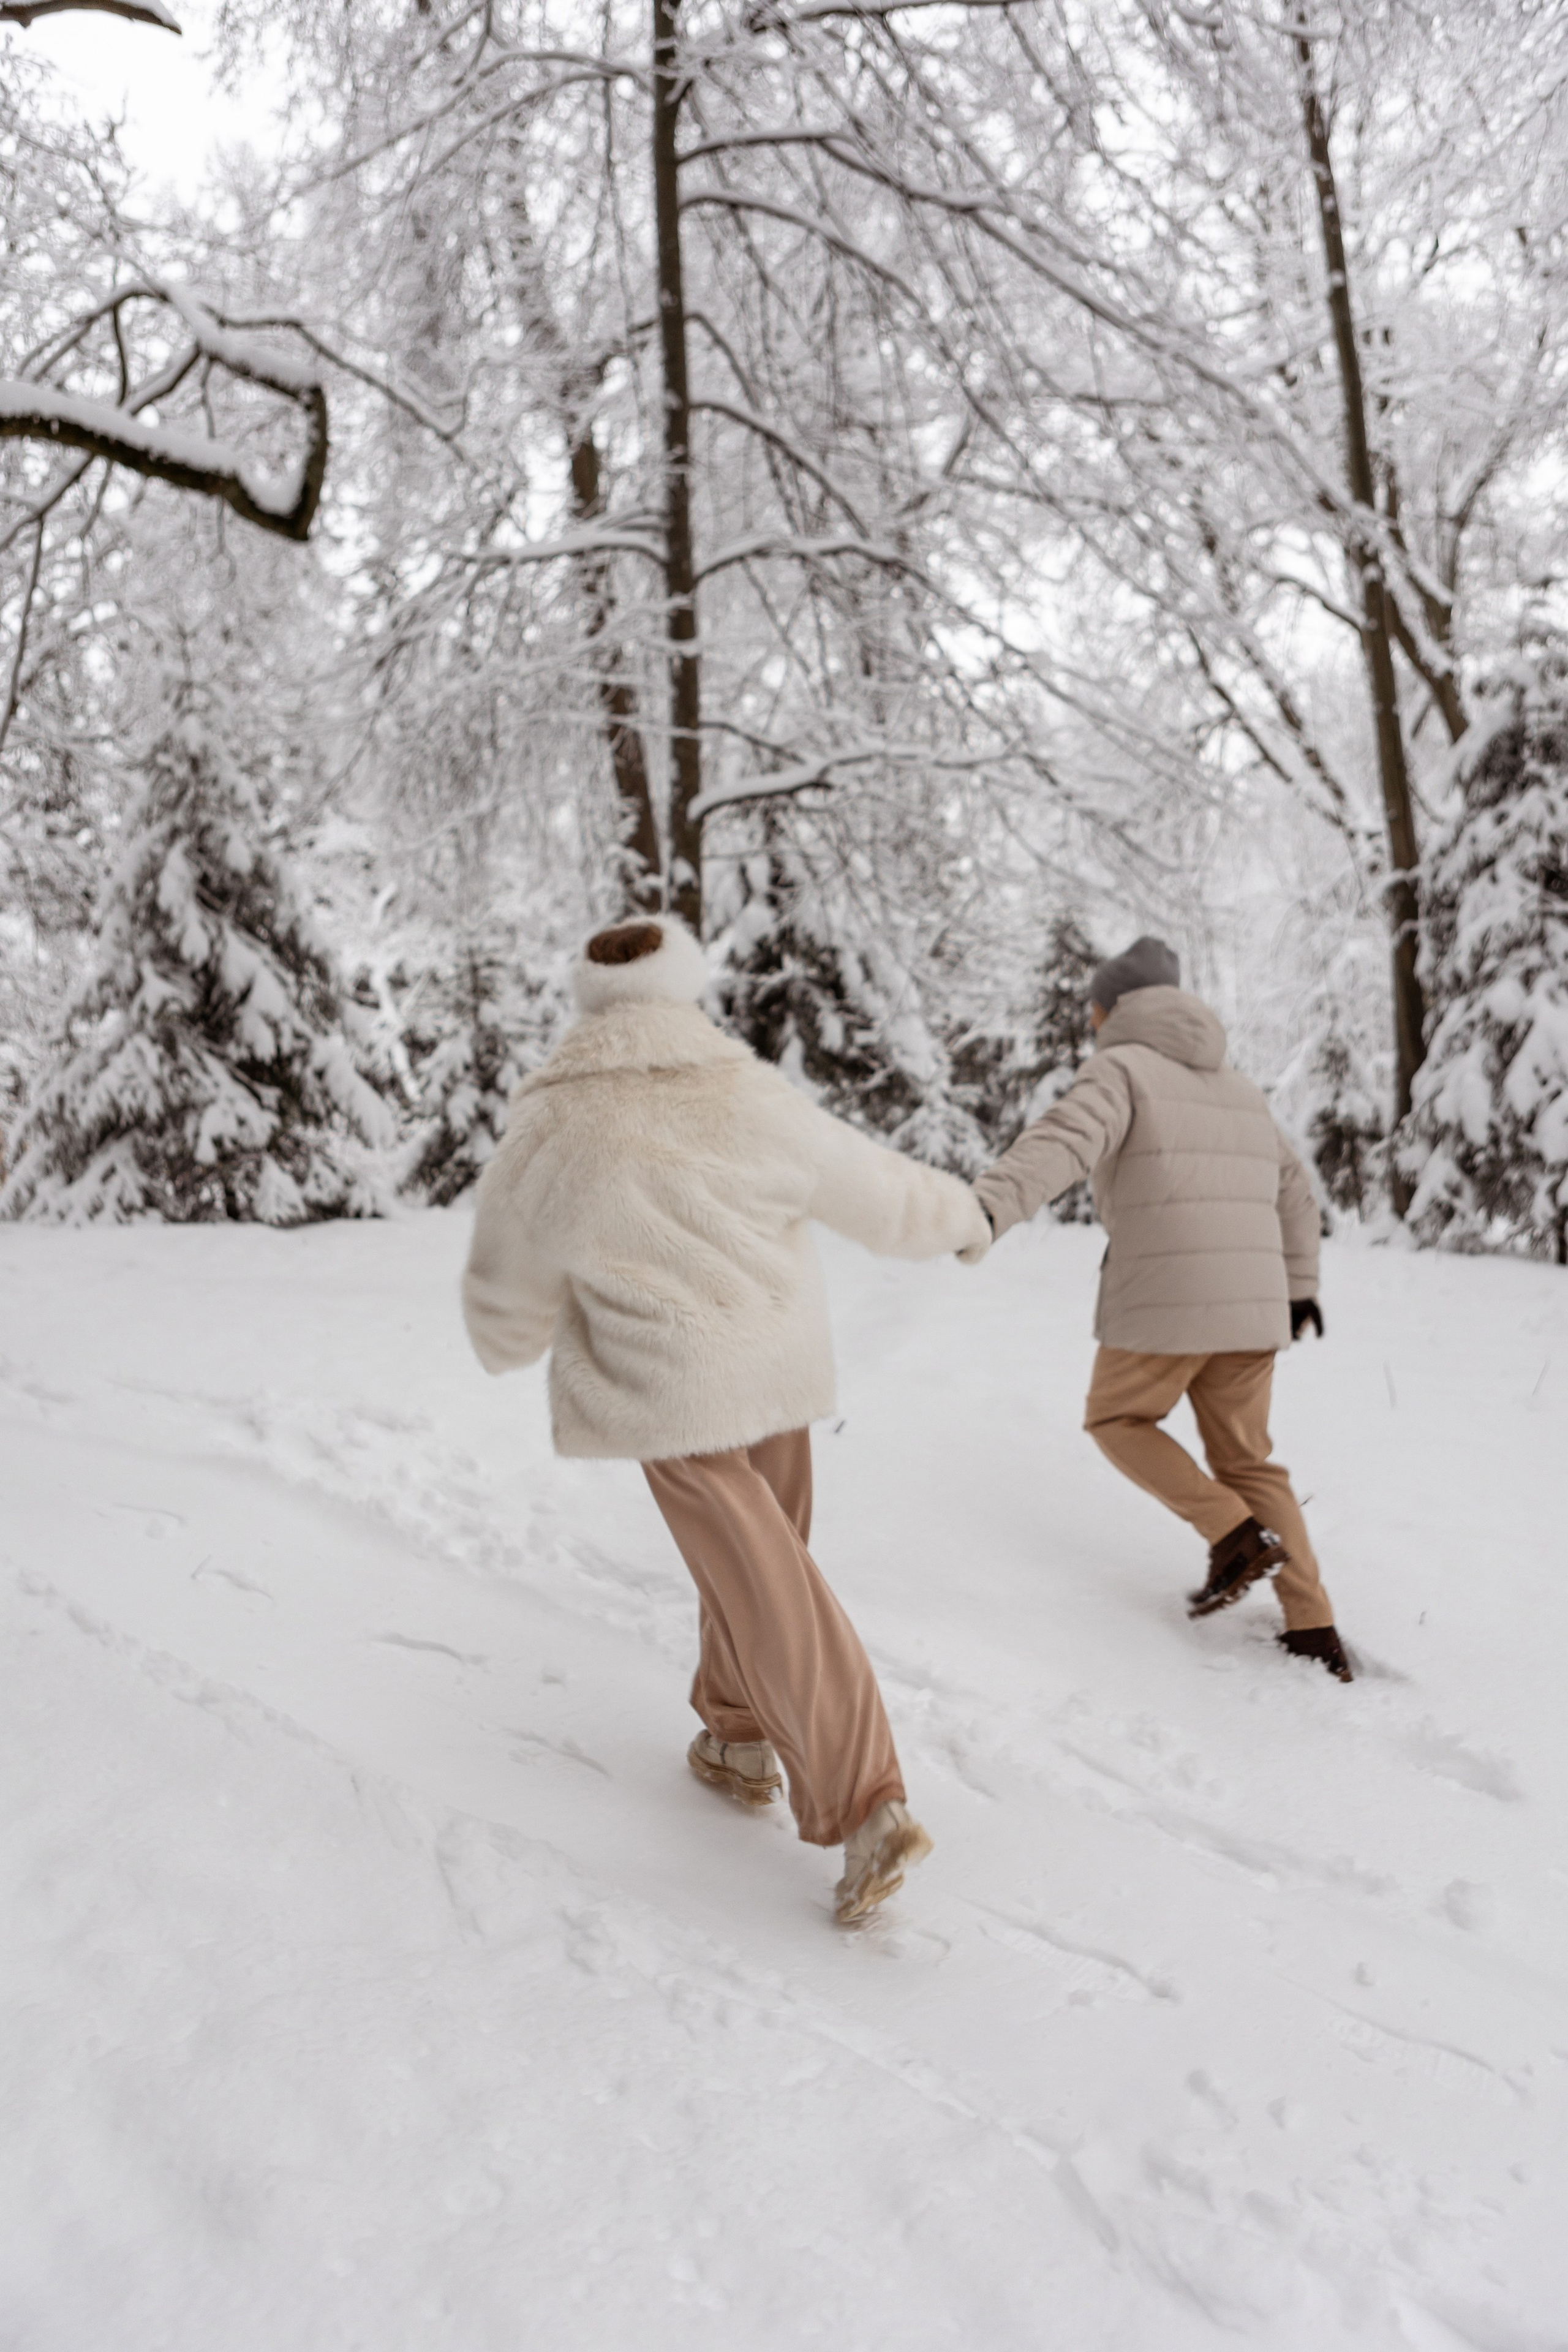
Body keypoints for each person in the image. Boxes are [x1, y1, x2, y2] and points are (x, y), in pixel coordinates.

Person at [461, 912, 992, 1920]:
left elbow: (505, 1278)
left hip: (665, 1384)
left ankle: (865, 1799)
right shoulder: (746, 1090)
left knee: (760, 1570)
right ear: (681, 984)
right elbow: (874, 1191)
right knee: (760, 1558)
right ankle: (739, 1733)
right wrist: (963, 1218)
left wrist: (508, 1336)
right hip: (772, 1366)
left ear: (591, 997)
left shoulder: (554, 1118)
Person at [971, 934, 1352, 1681]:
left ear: (1113, 1008)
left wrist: (985, 1208)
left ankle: (1233, 1534)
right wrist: (1299, 1285)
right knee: (1250, 1459)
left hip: (1164, 1302)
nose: (1088, 1020)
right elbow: (1296, 1190)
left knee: (1117, 1420)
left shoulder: (1119, 1068)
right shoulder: (1239, 1087)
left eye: (1093, 1007)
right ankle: (1313, 1628)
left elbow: (1066, 1139)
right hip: (1251, 1310)